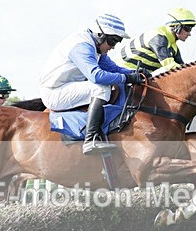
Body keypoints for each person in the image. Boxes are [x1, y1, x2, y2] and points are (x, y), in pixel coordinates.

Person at [38, 13, 145, 154]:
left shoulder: (94, 45)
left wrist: (135, 73)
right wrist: (127, 78)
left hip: (65, 87)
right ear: (100, 34)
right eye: (112, 41)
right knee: (101, 88)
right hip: (54, 92)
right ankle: (91, 140)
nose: (113, 47)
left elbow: (114, 69)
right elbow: (96, 76)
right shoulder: (82, 46)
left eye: (117, 42)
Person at [116, 7, 196, 74]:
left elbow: (183, 67)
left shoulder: (173, 47)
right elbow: (170, 65)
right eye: (188, 28)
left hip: (141, 75)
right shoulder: (158, 37)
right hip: (123, 71)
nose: (189, 33)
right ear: (176, 26)